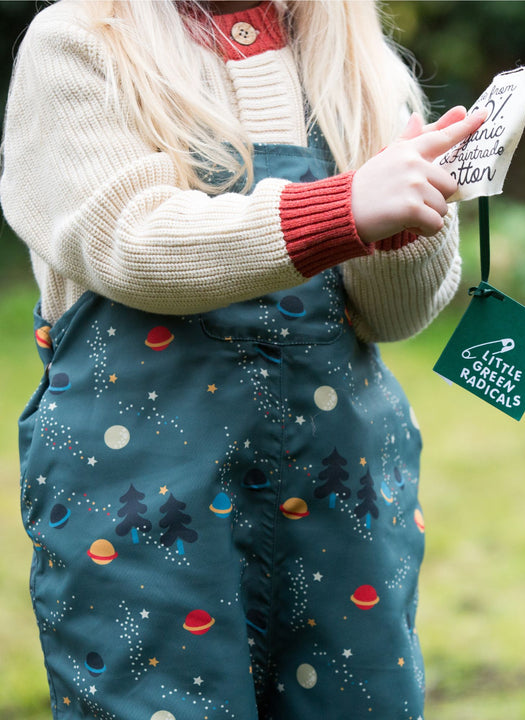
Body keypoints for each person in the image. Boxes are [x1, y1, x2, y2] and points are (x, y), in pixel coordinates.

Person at [0, 1, 486, 718]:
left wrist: (413, 215)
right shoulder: (80, 40)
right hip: (146, 500)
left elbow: (392, 315)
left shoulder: (348, 58)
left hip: (337, 494)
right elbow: (130, 243)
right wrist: (343, 208)